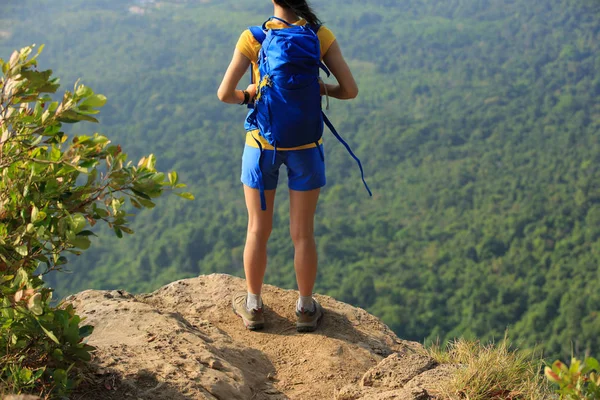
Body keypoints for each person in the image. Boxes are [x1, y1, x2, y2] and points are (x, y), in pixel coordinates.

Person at [217, 0, 358, 332]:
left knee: (257, 229)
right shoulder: (320, 35)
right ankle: (306, 309)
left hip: (261, 145)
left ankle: (253, 305)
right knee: (303, 233)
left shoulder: (253, 37)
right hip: (306, 147)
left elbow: (225, 93)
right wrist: (319, 88)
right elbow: (350, 90)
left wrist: (249, 96)